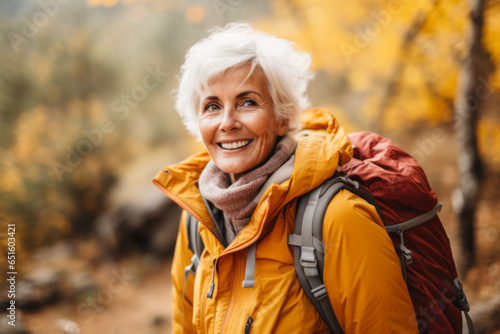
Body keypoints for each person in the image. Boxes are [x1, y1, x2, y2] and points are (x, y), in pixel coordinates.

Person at [153, 22, 419, 334]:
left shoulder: (339, 219)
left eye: (247, 102)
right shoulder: (197, 221)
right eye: (212, 106)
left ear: (282, 118)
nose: (227, 122)